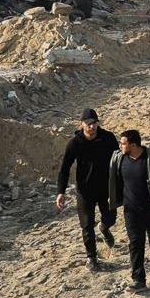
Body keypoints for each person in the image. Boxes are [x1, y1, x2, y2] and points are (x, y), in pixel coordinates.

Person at [108, 129, 150, 291]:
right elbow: (112, 178)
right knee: (135, 242)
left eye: (123, 143)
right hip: (130, 209)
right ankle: (138, 279)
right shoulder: (119, 158)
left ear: (133, 145)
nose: (120, 146)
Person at [54, 108, 118, 268]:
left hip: (106, 188)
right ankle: (91, 257)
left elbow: (118, 160)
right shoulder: (75, 143)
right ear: (81, 124)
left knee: (110, 218)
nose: (91, 127)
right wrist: (60, 192)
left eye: (94, 123)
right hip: (85, 190)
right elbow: (65, 168)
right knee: (86, 224)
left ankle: (104, 228)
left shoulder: (108, 138)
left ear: (97, 123)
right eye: (88, 124)